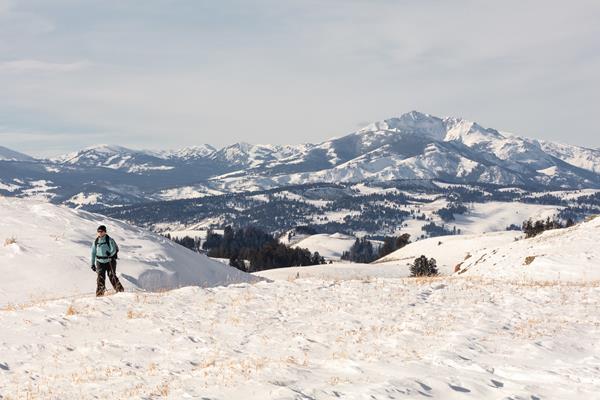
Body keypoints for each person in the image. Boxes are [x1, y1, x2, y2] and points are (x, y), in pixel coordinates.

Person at [91, 225, 124, 296]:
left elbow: (114, 249)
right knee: (100, 278)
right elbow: (93, 253)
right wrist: (92, 264)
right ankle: (100, 294)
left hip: (110, 261)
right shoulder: (96, 241)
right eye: (98, 231)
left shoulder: (109, 240)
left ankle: (120, 291)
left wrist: (110, 253)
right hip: (99, 262)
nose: (100, 233)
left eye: (101, 231)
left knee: (112, 275)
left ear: (105, 232)